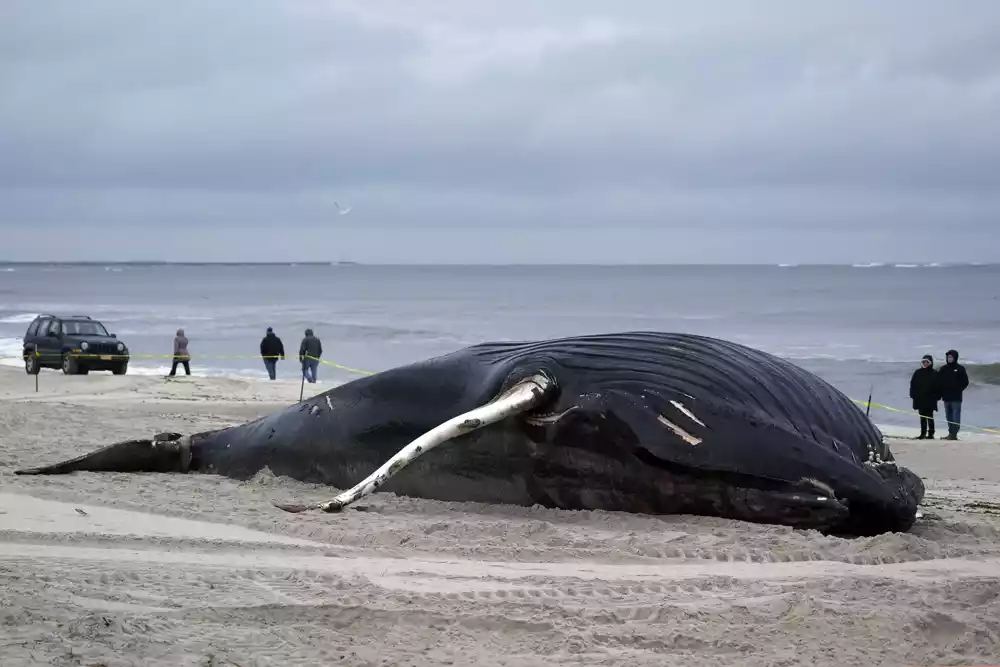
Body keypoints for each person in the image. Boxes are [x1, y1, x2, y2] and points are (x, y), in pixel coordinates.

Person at [938, 348, 970, 440]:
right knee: (949, 416)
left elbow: (965, 382)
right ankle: (950, 433)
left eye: (951, 357)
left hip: (956, 397)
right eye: (948, 357)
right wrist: (940, 393)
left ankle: (954, 434)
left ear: (955, 358)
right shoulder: (943, 369)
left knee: (956, 416)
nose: (949, 358)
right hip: (946, 397)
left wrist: (959, 389)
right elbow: (939, 382)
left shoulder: (960, 368)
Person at [909, 354, 940, 439]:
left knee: (930, 416)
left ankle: (931, 434)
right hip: (920, 399)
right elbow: (913, 384)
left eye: (927, 362)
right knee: (922, 417)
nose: (925, 363)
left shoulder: (934, 373)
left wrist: (936, 396)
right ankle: (922, 433)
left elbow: (939, 386)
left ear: (930, 363)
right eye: (924, 362)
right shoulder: (917, 372)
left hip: (930, 399)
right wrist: (912, 394)